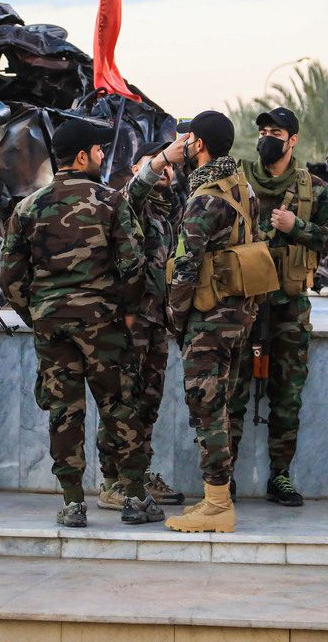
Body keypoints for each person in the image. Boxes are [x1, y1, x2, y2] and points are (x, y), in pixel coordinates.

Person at [0, 119, 164, 528]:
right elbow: (133, 264)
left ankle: (73, 502)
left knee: (64, 412)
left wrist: (36, 313)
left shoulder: (28, 207)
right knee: (121, 406)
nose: (102, 156)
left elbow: (10, 279)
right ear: (81, 156)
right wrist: (125, 310)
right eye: (98, 151)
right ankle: (135, 497)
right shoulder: (110, 202)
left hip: (51, 326)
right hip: (103, 322)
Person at [228, 107, 328, 506]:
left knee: (287, 394)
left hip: (289, 306)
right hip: (244, 303)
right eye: (262, 130)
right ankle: (221, 476)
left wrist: (299, 228)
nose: (267, 137)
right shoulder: (237, 182)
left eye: (275, 131)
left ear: (292, 140)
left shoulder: (314, 188)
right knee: (233, 392)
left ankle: (280, 475)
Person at [165, 110, 266, 534]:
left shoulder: (203, 198)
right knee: (221, 406)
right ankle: (215, 498)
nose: (185, 146)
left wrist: (174, 315)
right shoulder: (243, 189)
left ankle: (218, 504)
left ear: (199, 145)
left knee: (206, 409)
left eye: (188, 140)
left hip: (208, 318)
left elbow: (187, 265)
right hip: (239, 314)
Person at [96, 136, 189, 511]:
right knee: (120, 403)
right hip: (127, 322)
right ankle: (111, 480)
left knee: (148, 403)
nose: (166, 170)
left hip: (157, 324)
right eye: (156, 163)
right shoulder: (127, 202)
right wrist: (163, 156)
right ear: (137, 168)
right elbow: (134, 191)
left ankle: (137, 472)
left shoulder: (174, 209)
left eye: (169, 165)